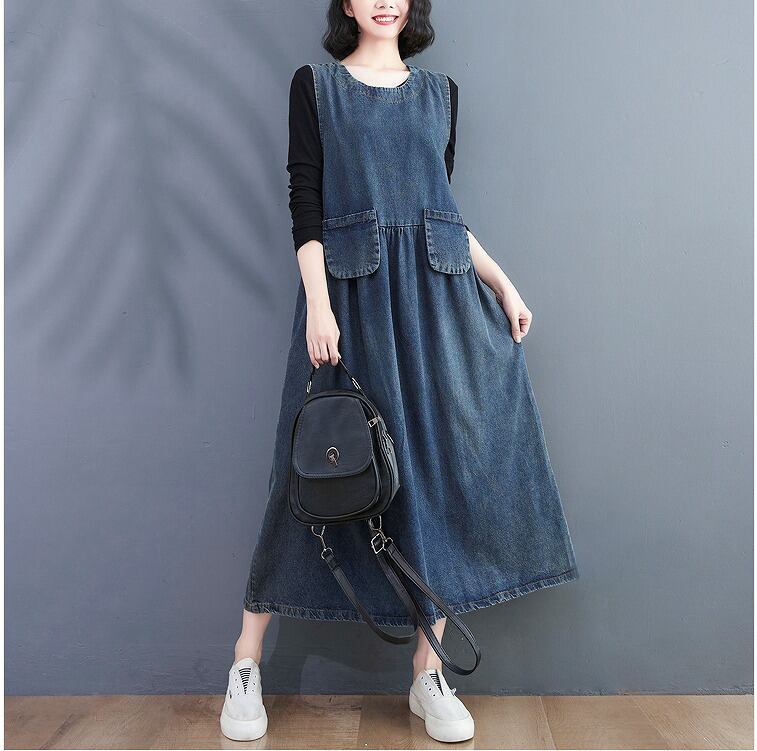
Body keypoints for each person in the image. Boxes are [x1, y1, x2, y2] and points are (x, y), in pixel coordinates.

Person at [220, 0, 579, 743]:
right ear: (346, 3)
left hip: (436, 306)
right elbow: (305, 204)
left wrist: (502, 284)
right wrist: (319, 307)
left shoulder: (441, 94)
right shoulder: (316, 86)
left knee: (433, 475)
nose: (386, 0)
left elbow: (437, 210)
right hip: (349, 303)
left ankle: (428, 670)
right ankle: (245, 660)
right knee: (309, 474)